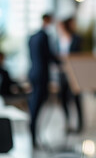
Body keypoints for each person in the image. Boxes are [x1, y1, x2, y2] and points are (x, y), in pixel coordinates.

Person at [28, 13, 60, 146]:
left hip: (33, 73)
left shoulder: (31, 37)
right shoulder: (44, 36)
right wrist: (62, 62)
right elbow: (49, 56)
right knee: (37, 104)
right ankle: (33, 131)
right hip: (41, 75)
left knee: (34, 103)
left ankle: (33, 131)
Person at [57, 17, 84, 132]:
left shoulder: (77, 38)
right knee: (63, 98)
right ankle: (67, 121)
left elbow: (79, 55)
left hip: (74, 72)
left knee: (76, 98)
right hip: (62, 72)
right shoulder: (58, 40)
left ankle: (79, 124)